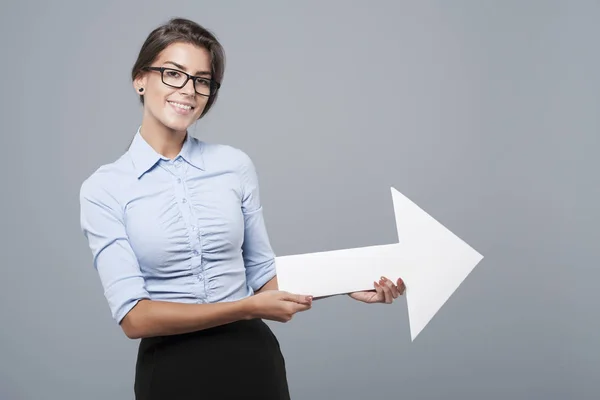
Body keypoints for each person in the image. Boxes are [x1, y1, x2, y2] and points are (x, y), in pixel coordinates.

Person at [79, 17, 405, 400]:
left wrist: (349, 284)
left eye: (202, 80)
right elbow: (135, 319)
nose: (189, 90)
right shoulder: (104, 188)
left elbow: (265, 276)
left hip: (253, 363)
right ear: (140, 78)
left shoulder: (234, 166)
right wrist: (245, 308)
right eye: (173, 73)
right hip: (170, 372)